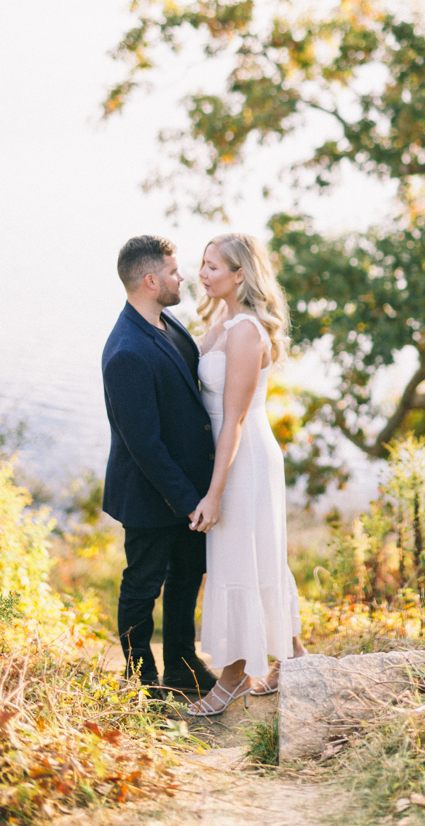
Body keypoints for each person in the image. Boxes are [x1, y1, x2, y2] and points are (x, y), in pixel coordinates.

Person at [187, 233, 306, 717]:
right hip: (229, 453)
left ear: (240, 274)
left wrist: (214, 494)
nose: (203, 273)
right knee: (254, 556)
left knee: (240, 559)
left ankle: (234, 678)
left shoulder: (245, 331)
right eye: (202, 264)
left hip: (243, 458)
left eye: (213, 266)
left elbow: (232, 418)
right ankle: (293, 659)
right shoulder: (222, 319)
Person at [102, 235, 217, 696]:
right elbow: (144, 445)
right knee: (142, 587)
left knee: (187, 579)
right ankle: (142, 681)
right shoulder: (127, 351)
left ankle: (182, 665)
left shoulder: (168, 323)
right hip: (153, 495)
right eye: (173, 272)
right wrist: (190, 501)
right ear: (150, 280)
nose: (181, 277)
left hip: (188, 489)